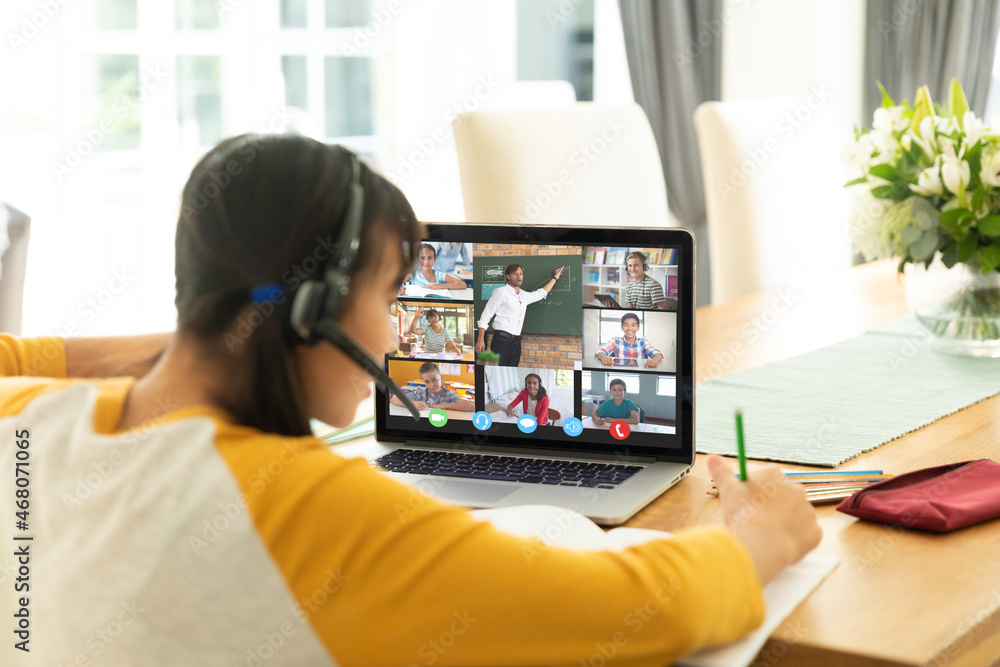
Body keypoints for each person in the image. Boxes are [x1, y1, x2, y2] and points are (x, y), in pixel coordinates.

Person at [0, 133, 821, 665]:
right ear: (315, 306)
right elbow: (631, 609)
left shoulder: (24, 418)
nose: (399, 334)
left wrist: (202, 340)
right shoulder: (299, 505)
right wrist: (759, 533)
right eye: (392, 294)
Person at [475, 263, 564, 366]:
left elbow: (541, 293)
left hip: (516, 342)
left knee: (511, 373)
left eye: (521, 274)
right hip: (501, 340)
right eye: (515, 274)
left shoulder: (523, 295)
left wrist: (555, 277)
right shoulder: (500, 292)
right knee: (498, 373)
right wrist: (480, 339)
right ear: (508, 276)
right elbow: (486, 315)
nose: (519, 277)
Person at [390, 361, 473, 412]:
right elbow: (394, 399)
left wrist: (444, 406)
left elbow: (471, 407)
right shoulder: (420, 393)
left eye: (434, 380)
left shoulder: (449, 394)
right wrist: (412, 403)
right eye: (427, 381)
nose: (431, 385)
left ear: (441, 378)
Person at [595, 312, 664, 368]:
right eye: (626, 325)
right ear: (622, 327)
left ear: (638, 328)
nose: (630, 328)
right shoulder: (615, 341)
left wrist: (654, 360)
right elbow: (599, 352)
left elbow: (658, 354)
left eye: (633, 325)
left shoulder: (643, 342)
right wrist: (604, 358)